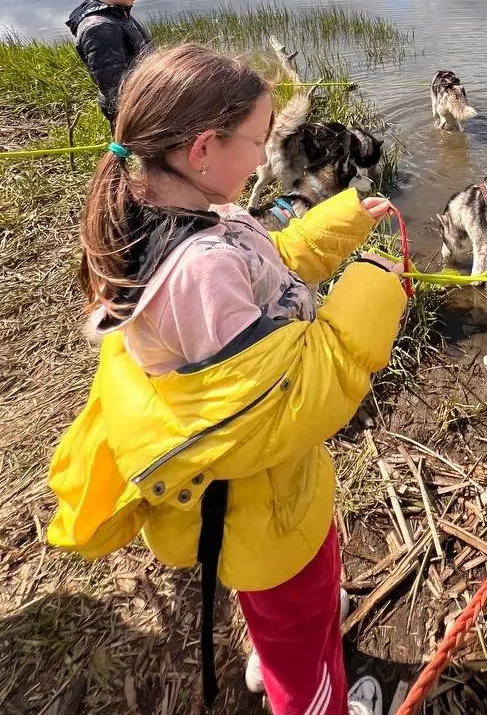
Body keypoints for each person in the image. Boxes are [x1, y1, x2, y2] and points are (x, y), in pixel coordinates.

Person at [46, 45, 408, 715]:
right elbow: (283, 401)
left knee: (284, 609)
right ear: (205, 149)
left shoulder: (196, 212)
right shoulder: (199, 270)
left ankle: (280, 640)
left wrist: (340, 224)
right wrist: (373, 292)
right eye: (260, 138)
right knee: (299, 634)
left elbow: (267, 269)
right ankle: (308, 692)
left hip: (249, 503)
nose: (268, 152)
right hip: (262, 507)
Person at [66, 0, 153, 128]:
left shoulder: (116, 13)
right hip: (130, 108)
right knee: (131, 144)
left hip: (141, 99)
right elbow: (115, 88)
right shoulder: (100, 27)